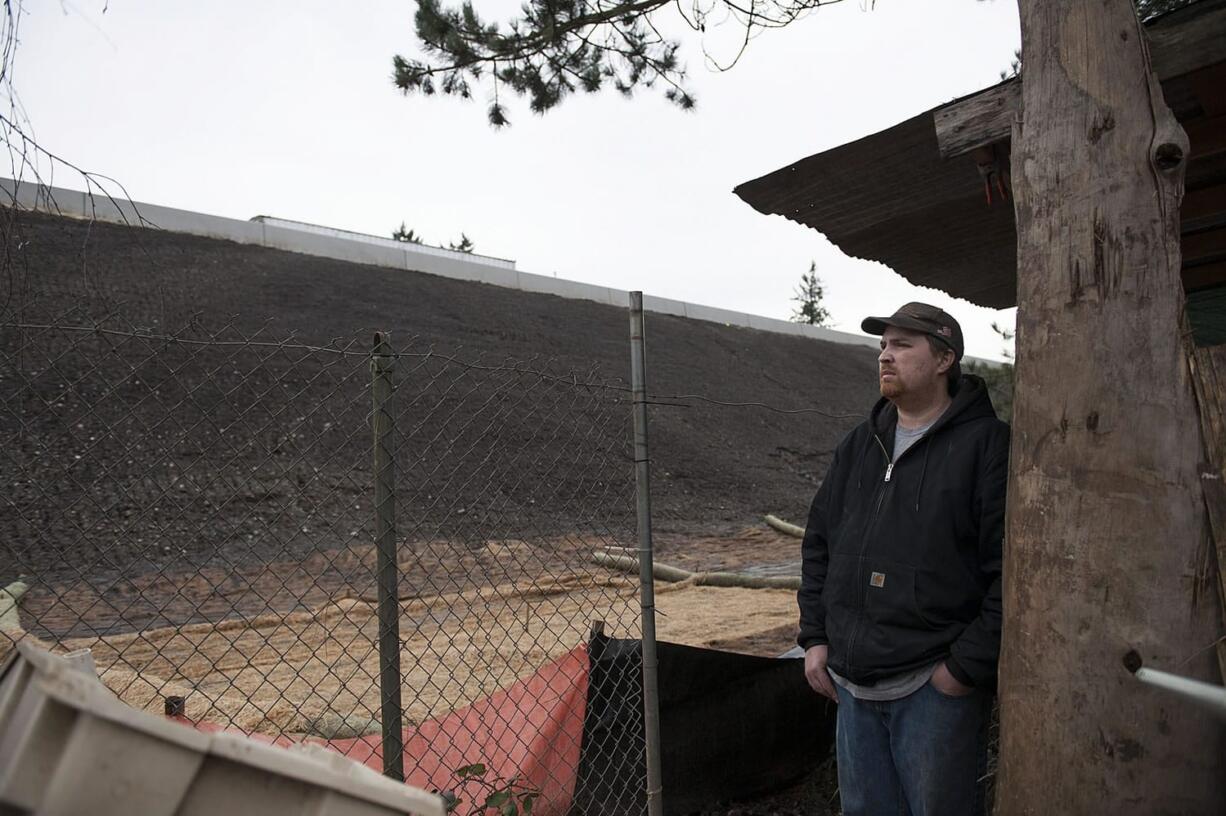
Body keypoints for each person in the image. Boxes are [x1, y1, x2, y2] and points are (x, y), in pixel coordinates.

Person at [798, 302, 1009, 816]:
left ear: (944, 360)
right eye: (882, 346)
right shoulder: (860, 444)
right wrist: (815, 637)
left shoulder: (987, 447)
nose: (885, 357)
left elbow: (1011, 570)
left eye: (901, 345)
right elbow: (819, 542)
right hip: (853, 686)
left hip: (933, 688)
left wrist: (961, 670)